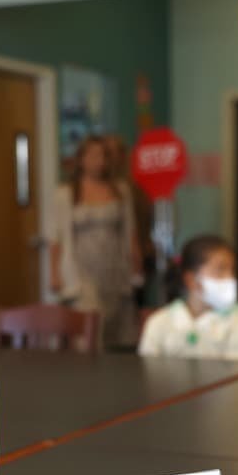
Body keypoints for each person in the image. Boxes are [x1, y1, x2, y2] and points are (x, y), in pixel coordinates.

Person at [49, 136, 141, 350]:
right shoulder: (66, 193)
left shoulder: (120, 190)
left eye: (103, 156)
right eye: (93, 155)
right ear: (81, 159)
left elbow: (130, 231)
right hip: (81, 271)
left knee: (116, 335)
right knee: (89, 331)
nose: (99, 161)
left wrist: (137, 268)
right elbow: (56, 237)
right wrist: (54, 273)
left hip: (114, 269)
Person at [138, 234, 238, 360]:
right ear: (191, 280)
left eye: (232, 270)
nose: (230, 278)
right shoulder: (159, 323)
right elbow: (147, 371)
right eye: (220, 269)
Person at [104, 135, 155, 306]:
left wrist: (139, 257)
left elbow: (143, 223)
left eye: (113, 152)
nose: (109, 158)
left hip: (132, 259)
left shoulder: (132, 189)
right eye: (106, 152)